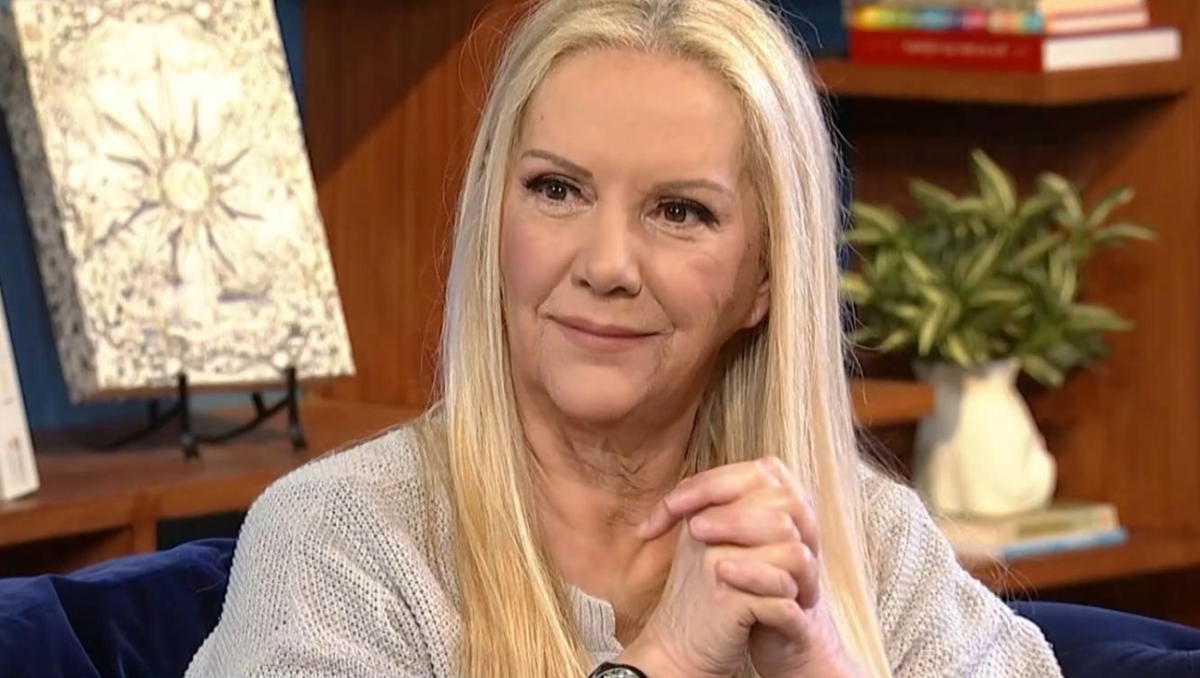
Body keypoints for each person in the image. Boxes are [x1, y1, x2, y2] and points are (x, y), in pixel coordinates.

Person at [186, 1, 1063, 676]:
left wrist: (820, 662)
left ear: (765, 278)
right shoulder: (341, 540)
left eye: (679, 211)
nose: (607, 264)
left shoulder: (869, 544)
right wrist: (669, 659)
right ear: (494, 221)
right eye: (557, 190)